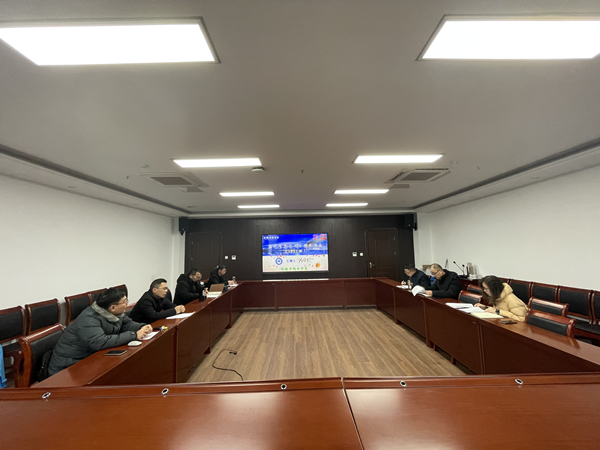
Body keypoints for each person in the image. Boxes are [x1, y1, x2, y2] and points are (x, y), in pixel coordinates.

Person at [48, 288, 152, 376]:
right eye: (124, 302)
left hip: (91, 358)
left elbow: (127, 324)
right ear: (113, 307)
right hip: (69, 367)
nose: (126, 304)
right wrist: (134, 335)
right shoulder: (88, 319)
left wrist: (142, 327)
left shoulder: (115, 312)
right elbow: (99, 342)